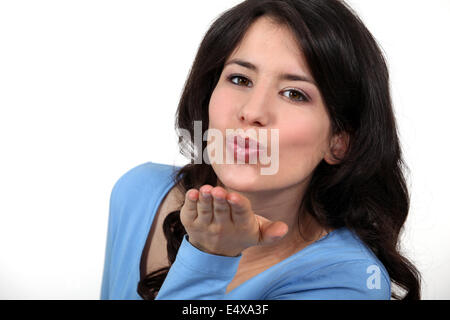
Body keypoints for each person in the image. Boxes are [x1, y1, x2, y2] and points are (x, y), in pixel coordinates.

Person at [100, 0, 421, 300]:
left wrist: (208, 258)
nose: (253, 111)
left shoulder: (347, 282)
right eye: (239, 79)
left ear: (338, 142)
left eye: (294, 94)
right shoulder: (139, 193)